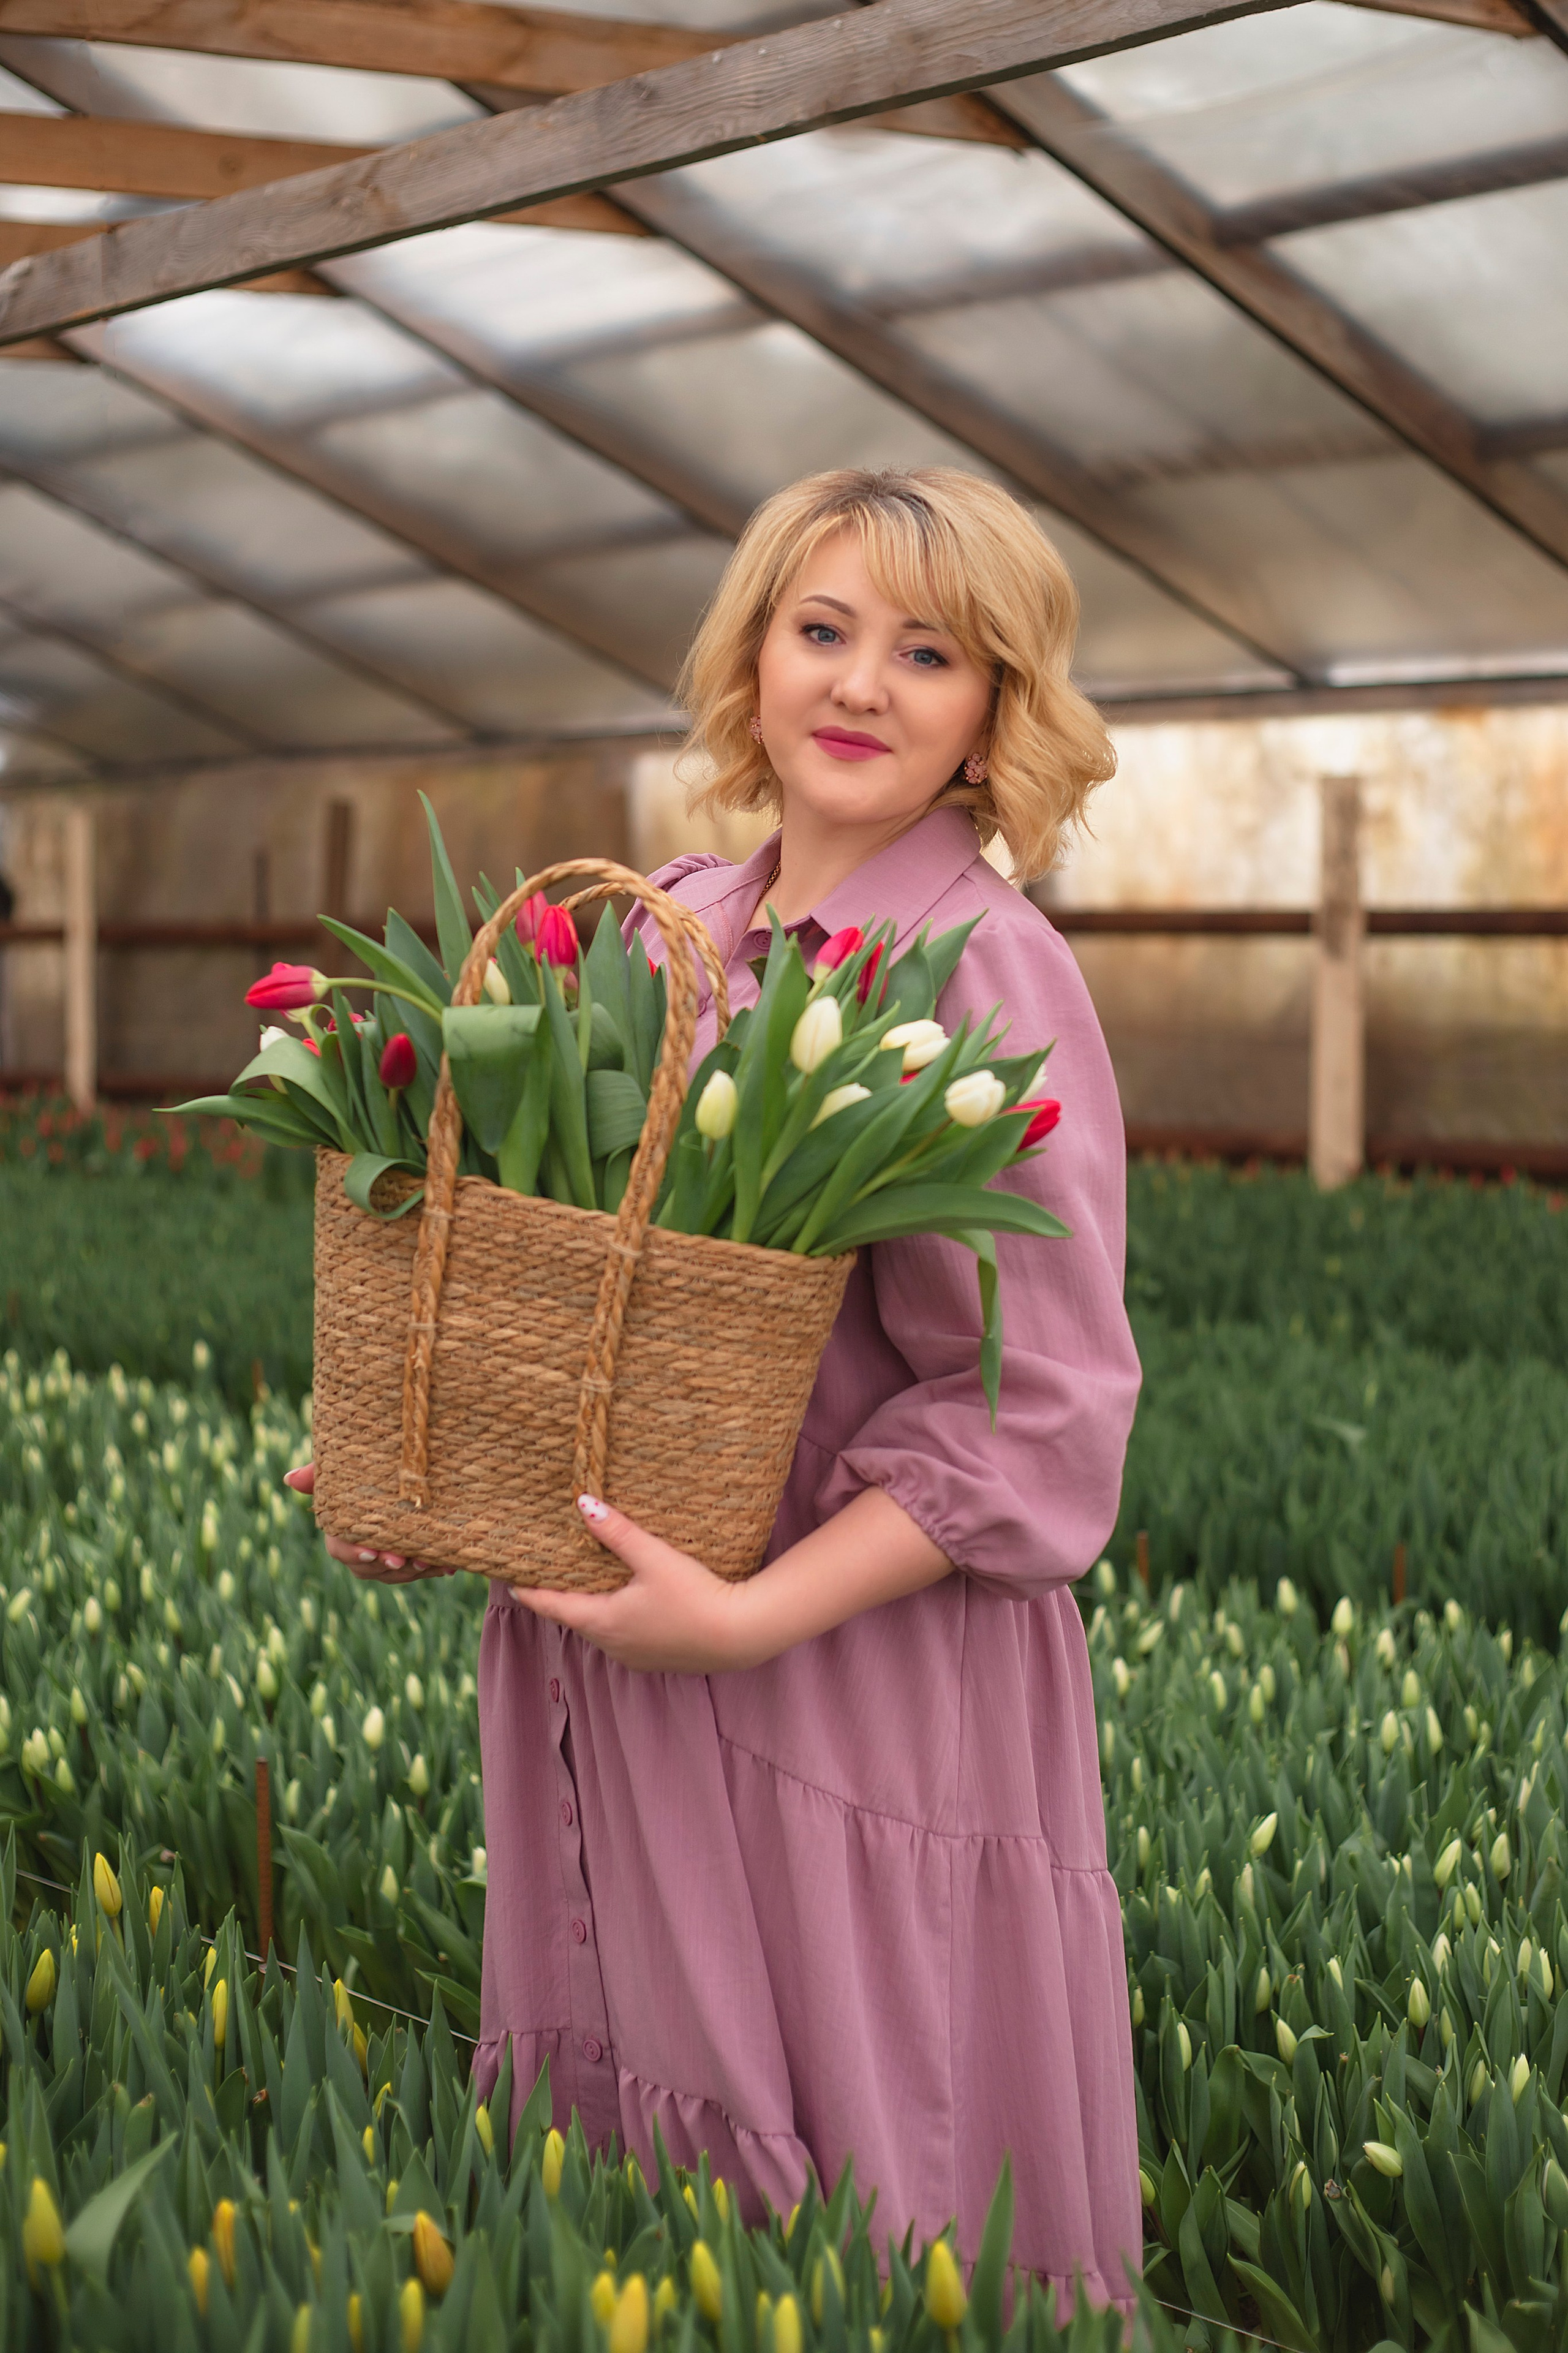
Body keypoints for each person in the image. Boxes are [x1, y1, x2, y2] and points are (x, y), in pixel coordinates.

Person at [296, 467, 1143, 2307]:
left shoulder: (988, 975)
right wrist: (428, 1465)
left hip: (845, 1681)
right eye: (821, 629)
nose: (861, 684)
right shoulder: (657, 925)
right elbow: (557, 1278)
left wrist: (746, 1619)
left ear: (997, 707)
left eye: (929, 653)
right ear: (755, 655)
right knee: (639, 2218)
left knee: (866, 2208)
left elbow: (1040, 1410)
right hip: (617, 1649)